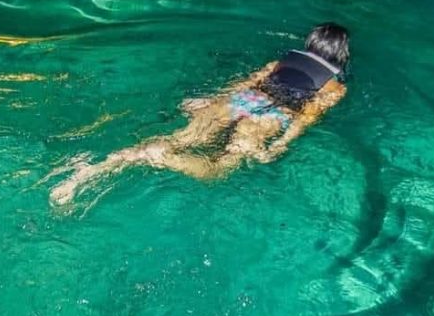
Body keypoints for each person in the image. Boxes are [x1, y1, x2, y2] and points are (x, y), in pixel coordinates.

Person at [49, 23, 350, 206]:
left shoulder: (280, 62)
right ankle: (167, 158)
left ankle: (88, 172)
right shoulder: (335, 86)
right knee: (220, 167)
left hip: (245, 98)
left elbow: (248, 83)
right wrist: (279, 146)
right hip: (273, 115)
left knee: (177, 137)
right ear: (340, 53)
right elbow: (307, 116)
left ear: (311, 43)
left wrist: (212, 101)